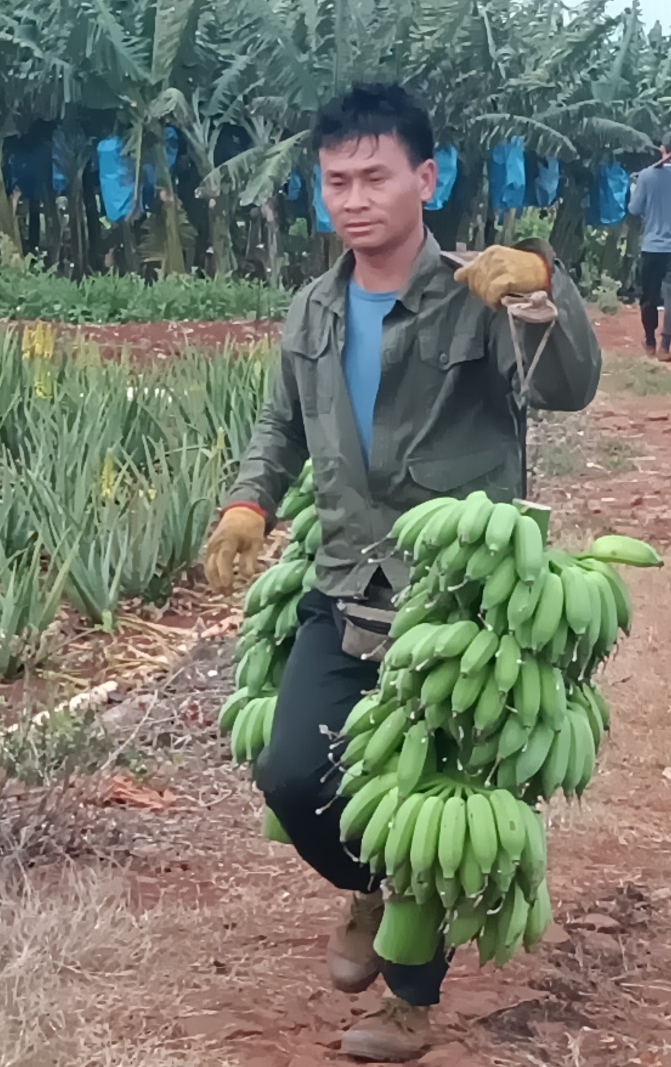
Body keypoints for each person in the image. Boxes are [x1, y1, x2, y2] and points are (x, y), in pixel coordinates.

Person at [204, 82, 601, 1063]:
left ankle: (411, 1002)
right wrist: (248, 502)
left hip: (459, 596)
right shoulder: (312, 308)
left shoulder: (477, 289)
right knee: (294, 769)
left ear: (424, 179)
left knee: (433, 784)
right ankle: (369, 882)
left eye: (372, 176)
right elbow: (280, 427)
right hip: (343, 577)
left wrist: (541, 284)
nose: (352, 197)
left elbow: (567, 386)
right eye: (334, 180)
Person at [628, 131, 671, 358]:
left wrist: (635, 187)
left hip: (653, 247)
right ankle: (666, 345)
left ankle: (650, 341)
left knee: (650, 296)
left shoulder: (646, 176)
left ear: (662, 150)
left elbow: (634, 209)